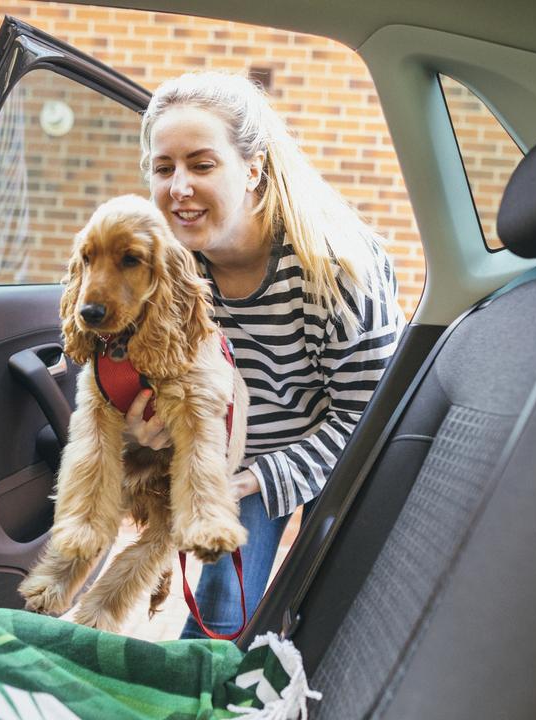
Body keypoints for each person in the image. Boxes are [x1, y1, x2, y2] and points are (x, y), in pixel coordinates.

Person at [128, 71, 403, 639]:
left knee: (332, 602)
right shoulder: (168, 267)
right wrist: (148, 424)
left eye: (202, 165)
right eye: (164, 167)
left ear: (252, 168)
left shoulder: (337, 268)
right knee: (222, 611)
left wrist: (254, 481)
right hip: (238, 451)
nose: (179, 187)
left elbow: (368, 419)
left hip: (340, 446)